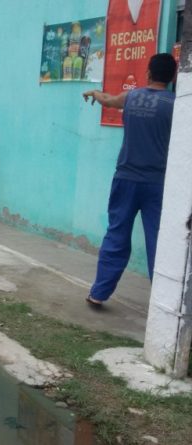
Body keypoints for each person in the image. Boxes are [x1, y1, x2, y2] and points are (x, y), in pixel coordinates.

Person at [81, 53, 177, 307]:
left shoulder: (132, 97)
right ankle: (163, 305)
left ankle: (98, 294)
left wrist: (94, 93)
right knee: (158, 240)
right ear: (173, 77)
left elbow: (109, 101)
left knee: (116, 234)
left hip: (125, 178)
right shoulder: (177, 105)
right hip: (158, 184)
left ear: (148, 73)